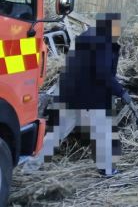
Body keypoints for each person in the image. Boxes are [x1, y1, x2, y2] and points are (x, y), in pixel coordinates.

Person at [37, 12, 130, 176]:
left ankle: (32, 164)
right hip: (91, 95)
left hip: (70, 91)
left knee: (59, 130)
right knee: (102, 130)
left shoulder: (87, 36)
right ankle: (107, 169)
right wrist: (121, 92)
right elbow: (102, 73)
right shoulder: (103, 42)